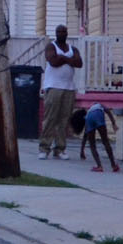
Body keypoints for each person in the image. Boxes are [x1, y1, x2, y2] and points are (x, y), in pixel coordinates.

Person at [38, 25, 82, 161]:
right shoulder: (51, 47)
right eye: (59, 32)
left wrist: (63, 58)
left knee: (64, 119)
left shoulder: (72, 48)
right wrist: (68, 60)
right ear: (56, 33)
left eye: (63, 32)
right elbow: (53, 61)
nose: (61, 34)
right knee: (51, 118)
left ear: (67, 33)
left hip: (69, 88)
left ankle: (60, 149)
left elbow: (79, 63)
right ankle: (44, 148)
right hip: (53, 87)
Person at [80, 101, 120, 172]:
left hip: (89, 119)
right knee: (105, 141)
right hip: (99, 116)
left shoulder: (89, 112)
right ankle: (113, 165)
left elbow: (85, 136)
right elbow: (109, 112)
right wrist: (113, 124)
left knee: (92, 145)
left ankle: (99, 166)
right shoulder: (100, 105)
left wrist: (82, 151)